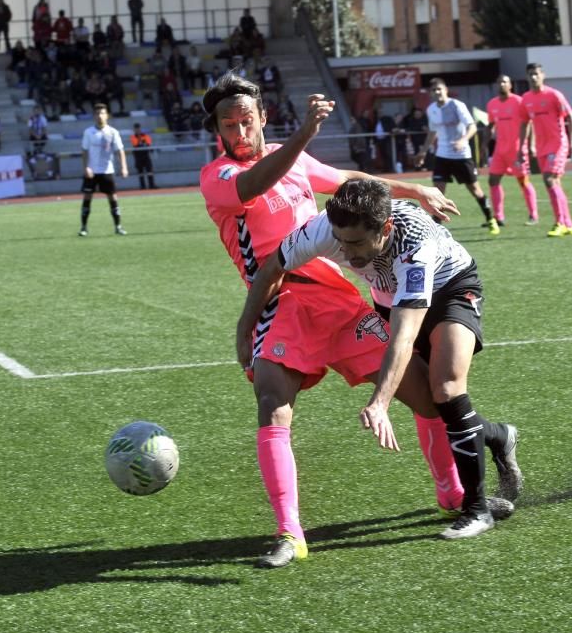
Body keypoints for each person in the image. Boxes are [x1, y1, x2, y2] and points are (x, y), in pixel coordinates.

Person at [199, 73, 512, 568]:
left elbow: (350, 184)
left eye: (247, 121)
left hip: (340, 302)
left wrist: (413, 189)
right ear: (216, 128)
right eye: (228, 124)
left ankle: (452, 493)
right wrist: (243, 328)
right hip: (281, 305)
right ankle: (290, 533)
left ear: (261, 117)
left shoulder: (294, 156)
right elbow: (256, 184)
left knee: (426, 394)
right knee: (273, 405)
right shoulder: (216, 176)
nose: (240, 133)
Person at [239, 177, 523, 539]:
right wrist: (243, 330)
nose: (348, 253)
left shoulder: (414, 247)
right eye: (341, 242)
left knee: (447, 387)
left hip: (451, 288)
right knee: (433, 400)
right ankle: (497, 435)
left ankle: (477, 508)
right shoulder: (325, 229)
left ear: (385, 227)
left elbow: (403, 338)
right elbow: (270, 268)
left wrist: (380, 403)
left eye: (356, 243)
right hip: (392, 299)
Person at [416, 78, 499, 235]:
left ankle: (490, 219)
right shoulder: (431, 109)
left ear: (446, 89)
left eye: (439, 89)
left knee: (475, 190)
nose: (437, 92)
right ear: (431, 93)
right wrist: (423, 151)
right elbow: (432, 133)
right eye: (434, 90)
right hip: (442, 156)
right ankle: (436, 228)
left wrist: (463, 140)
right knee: (437, 192)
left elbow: (472, 127)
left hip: (462, 156)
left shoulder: (457, 105)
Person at [517, 63, 572, 237]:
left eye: (536, 74)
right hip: (542, 147)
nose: (533, 77)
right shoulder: (526, 99)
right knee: (555, 183)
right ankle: (568, 223)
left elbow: (571, 117)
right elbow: (524, 123)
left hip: (558, 144)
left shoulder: (554, 95)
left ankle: (559, 223)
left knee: (549, 179)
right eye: (530, 74)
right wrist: (523, 147)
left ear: (543, 75)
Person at [486, 74, 539, 225]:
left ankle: (533, 215)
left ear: (510, 85)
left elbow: (529, 124)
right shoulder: (492, 104)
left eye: (505, 82)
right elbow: (490, 125)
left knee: (523, 181)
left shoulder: (519, 101)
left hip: (516, 149)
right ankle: (499, 217)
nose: (501, 84)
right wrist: (485, 144)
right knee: (493, 180)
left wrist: (529, 145)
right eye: (499, 82)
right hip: (499, 150)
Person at [79, 103, 128, 236]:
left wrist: (124, 167)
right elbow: (84, 151)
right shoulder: (88, 132)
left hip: (107, 171)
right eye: (97, 113)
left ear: (107, 116)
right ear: (94, 116)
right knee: (87, 197)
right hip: (92, 172)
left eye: (102, 113)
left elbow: (120, 151)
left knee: (113, 198)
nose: (100, 116)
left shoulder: (113, 132)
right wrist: (86, 167)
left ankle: (118, 226)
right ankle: (83, 228)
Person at [130, 122, 155, 189]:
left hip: (146, 156)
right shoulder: (133, 137)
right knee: (140, 173)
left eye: (138, 128)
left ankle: (151, 186)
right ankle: (142, 186)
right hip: (138, 157)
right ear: (134, 129)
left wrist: (143, 144)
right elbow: (135, 145)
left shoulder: (145, 135)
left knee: (149, 171)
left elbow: (148, 144)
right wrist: (142, 143)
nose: (137, 130)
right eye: (136, 129)